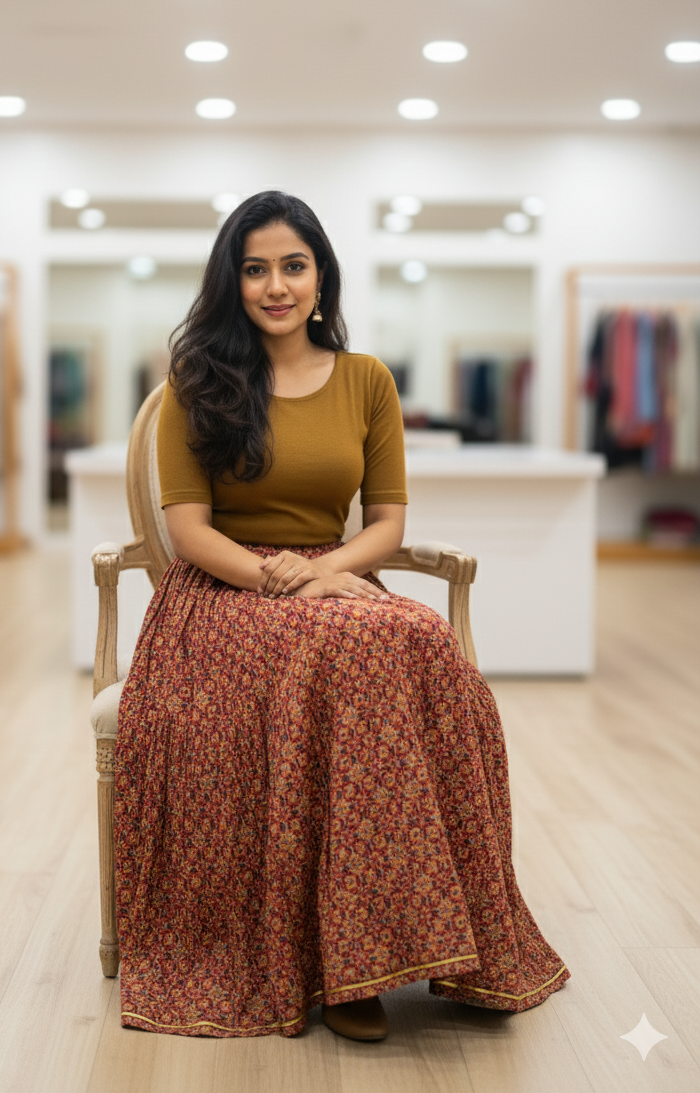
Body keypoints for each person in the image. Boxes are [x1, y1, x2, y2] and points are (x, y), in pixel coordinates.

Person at [113, 190, 569, 1041]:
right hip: (222, 595)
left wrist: (330, 575)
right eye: (255, 269)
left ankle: (438, 942)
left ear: (321, 277)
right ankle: (346, 969)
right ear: (231, 282)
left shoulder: (368, 380)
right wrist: (286, 580)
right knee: (360, 646)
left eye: (293, 265)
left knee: (420, 636)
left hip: (336, 581)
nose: (275, 285)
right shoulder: (195, 383)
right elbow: (187, 533)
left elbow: (388, 524)